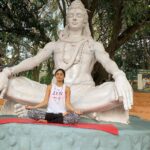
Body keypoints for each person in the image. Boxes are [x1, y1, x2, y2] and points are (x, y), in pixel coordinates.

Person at [0, 0, 133, 123]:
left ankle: (42, 111)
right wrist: (7, 72)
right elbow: (33, 61)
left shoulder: (93, 45)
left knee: (117, 91)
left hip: (84, 94)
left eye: (79, 15)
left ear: (85, 20)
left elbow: (107, 61)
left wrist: (119, 75)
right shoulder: (54, 45)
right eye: (71, 15)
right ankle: (83, 111)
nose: (74, 18)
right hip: (53, 94)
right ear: (67, 19)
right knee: (12, 84)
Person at [15, 69, 81, 124]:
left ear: (64, 76)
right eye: (57, 74)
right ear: (55, 76)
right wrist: (33, 107)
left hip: (62, 113)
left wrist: (75, 111)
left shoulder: (67, 88)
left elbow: (68, 103)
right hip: (50, 114)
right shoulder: (50, 87)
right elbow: (45, 101)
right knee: (32, 112)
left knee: (76, 117)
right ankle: (56, 118)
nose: (59, 76)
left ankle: (48, 120)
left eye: (61, 74)